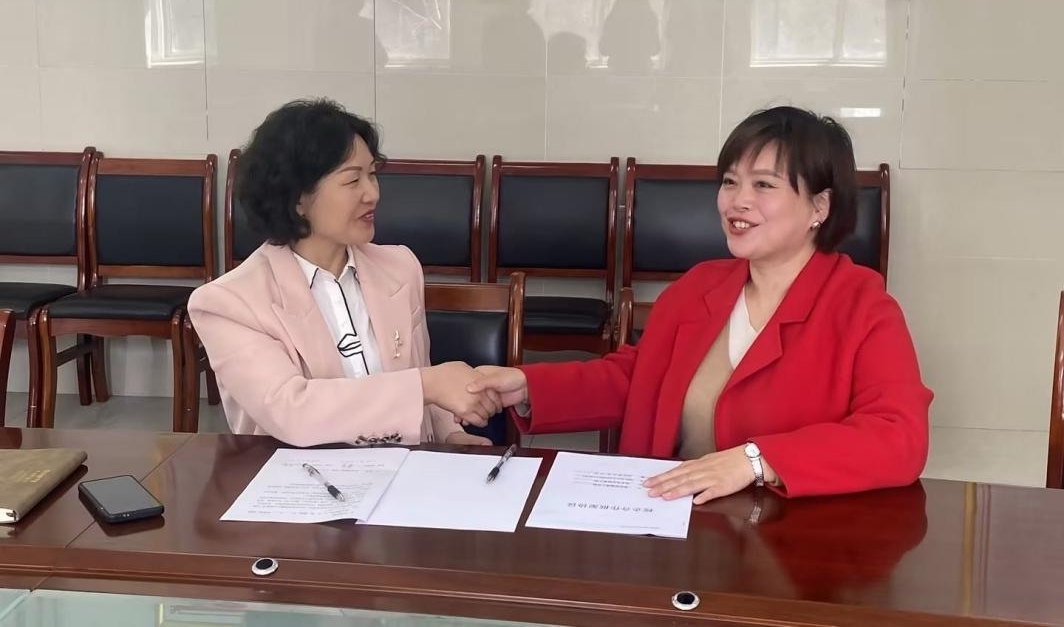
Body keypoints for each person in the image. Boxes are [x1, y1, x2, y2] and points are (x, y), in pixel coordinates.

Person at [469, 106, 932, 502]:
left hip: (788, 540)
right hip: (674, 523)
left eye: (764, 185)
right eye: (730, 182)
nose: (737, 202)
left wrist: (757, 460)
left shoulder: (862, 307)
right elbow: (638, 380)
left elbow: (899, 436)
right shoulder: (699, 287)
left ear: (820, 207)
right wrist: (528, 386)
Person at [188, 99, 496, 447]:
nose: (373, 194)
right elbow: (293, 413)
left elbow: (423, 383)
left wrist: (451, 434)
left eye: (373, 174)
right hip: (303, 476)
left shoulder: (400, 268)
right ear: (298, 199)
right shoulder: (229, 303)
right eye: (352, 180)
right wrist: (427, 385)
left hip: (408, 469)